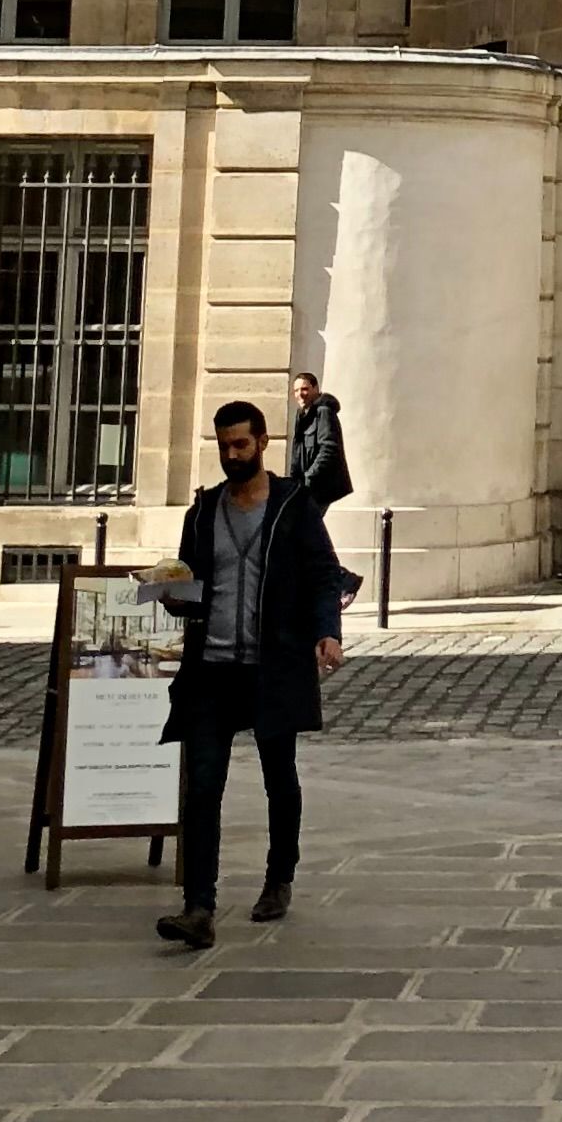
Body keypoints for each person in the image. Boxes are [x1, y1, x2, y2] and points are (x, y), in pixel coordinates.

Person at [152, 400, 345, 950]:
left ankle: (278, 877)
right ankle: (199, 907)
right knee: (203, 785)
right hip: (211, 670)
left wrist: (326, 631)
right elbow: (191, 584)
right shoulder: (203, 510)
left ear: (263, 442)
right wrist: (173, 595)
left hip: (272, 666)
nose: (232, 455)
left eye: (241, 444)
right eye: (223, 446)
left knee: (278, 778)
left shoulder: (293, 505)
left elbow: (323, 576)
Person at [287, 372, 353, 514]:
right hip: (307, 488)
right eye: (296, 391)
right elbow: (298, 452)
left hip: (321, 488)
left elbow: (329, 448)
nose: (300, 394)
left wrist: (309, 476)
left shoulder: (323, 411)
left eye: (304, 389)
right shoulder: (303, 415)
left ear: (316, 389)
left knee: (306, 528)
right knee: (308, 530)